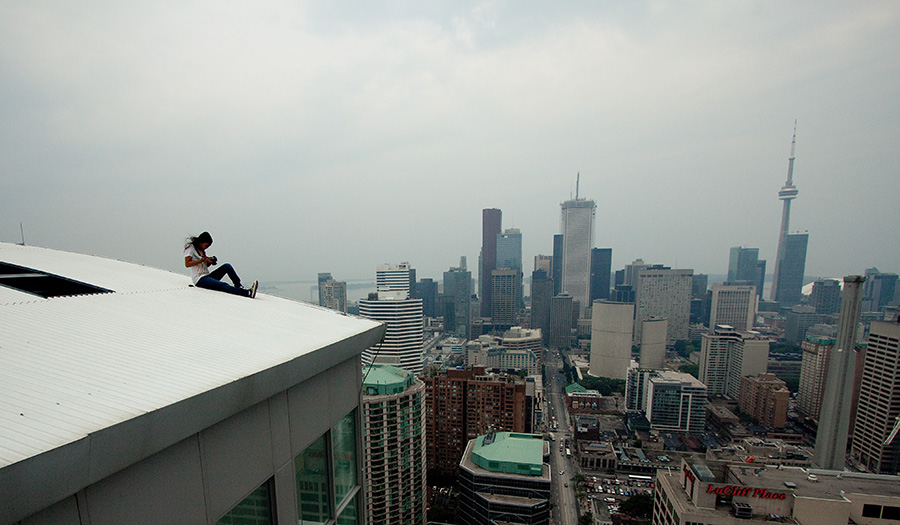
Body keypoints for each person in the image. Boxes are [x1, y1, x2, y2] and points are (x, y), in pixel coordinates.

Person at [184, 231, 257, 298]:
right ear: (201, 242)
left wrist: (210, 262)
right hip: (199, 279)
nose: (207, 248)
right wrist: (202, 260)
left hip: (207, 276)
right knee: (222, 285)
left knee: (227, 266)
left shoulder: (202, 250)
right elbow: (187, 264)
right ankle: (247, 293)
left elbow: (203, 266)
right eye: (206, 245)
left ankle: (238, 285)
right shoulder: (191, 248)